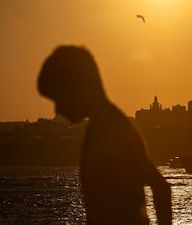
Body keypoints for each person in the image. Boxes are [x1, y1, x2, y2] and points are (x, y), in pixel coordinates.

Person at [37, 45, 172, 225]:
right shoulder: (106, 126)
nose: (58, 109)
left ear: (77, 88)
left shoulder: (111, 130)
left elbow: (160, 187)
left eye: (59, 97)